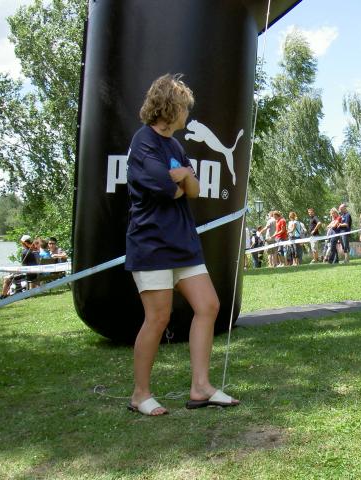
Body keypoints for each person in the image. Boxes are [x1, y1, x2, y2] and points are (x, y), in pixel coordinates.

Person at [125, 73, 239, 416]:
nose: (188, 114)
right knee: (158, 317)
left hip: (183, 242)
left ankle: (200, 387)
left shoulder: (174, 146)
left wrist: (184, 176)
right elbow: (170, 190)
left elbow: (193, 189)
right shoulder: (143, 142)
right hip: (152, 244)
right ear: (171, 108)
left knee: (209, 305)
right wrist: (182, 180)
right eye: (185, 108)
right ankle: (140, 395)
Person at [0, 234, 39, 299]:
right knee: (11, 275)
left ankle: (3, 296)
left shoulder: (25, 252)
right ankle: (7, 294)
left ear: (24, 243)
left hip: (29, 275)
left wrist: (14, 272)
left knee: (7, 279)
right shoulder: (33, 251)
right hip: (34, 273)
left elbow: (23, 267)